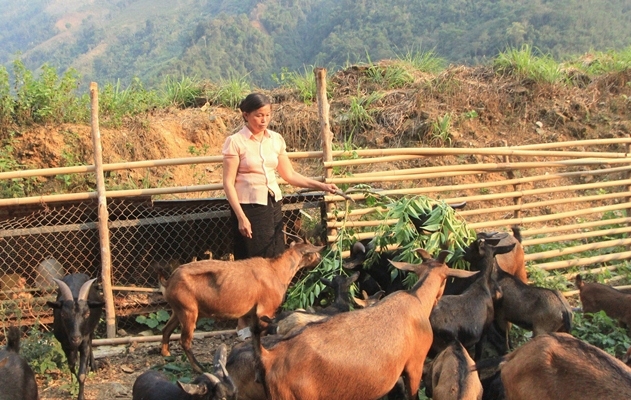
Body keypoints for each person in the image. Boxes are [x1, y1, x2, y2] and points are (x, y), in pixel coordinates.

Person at [222, 93, 339, 340]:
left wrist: (321, 185)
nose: (264, 120)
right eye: (258, 115)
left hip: (273, 206)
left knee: (274, 262)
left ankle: (268, 320)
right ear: (245, 115)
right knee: (253, 267)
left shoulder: (275, 140)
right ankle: (245, 325)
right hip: (249, 208)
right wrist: (241, 217)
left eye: (267, 115)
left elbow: (290, 175)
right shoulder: (236, 142)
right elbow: (228, 184)